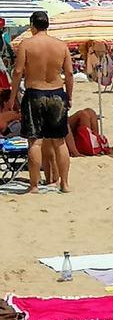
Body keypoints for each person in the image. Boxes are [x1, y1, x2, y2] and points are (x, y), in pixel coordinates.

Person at [12, 11, 73, 193]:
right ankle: (64, 184)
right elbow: (69, 74)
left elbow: (17, 72)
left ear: (32, 25)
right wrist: (69, 96)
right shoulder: (61, 45)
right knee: (59, 141)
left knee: (35, 142)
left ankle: (34, 186)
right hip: (56, 93)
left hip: (35, 94)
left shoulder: (27, 44)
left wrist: (12, 96)